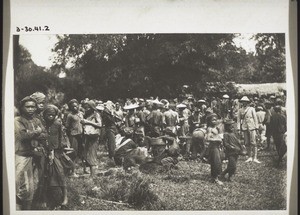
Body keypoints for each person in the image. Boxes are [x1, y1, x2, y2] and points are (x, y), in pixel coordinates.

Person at [15, 96, 47, 210]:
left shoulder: (37, 120)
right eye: (27, 106)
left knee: (35, 182)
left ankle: (28, 209)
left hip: (36, 155)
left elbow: (45, 135)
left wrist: (33, 133)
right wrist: (37, 132)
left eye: (33, 107)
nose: (31, 109)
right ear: (22, 107)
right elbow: (22, 136)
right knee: (23, 184)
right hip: (23, 155)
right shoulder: (17, 120)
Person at [43, 105, 68, 208]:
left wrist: (60, 148)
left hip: (57, 152)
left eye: (52, 115)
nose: (50, 117)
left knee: (60, 173)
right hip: (44, 152)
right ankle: (45, 198)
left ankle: (65, 196)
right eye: (48, 114)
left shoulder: (57, 124)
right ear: (44, 115)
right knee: (45, 175)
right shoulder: (43, 124)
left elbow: (62, 137)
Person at [81, 100, 102, 177]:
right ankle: (90, 174)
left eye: (88, 108)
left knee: (92, 155)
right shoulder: (88, 115)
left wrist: (87, 122)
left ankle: (93, 176)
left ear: (92, 107)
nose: (86, 109)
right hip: (88, 136)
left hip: (94, 137)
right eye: (85, 108)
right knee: (87, 155)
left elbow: (100, 124)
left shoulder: (96, 114)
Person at [237, 96, 260, 163]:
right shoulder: (240, 110)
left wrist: (256, 127)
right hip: (244, 127)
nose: (244, 103)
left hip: (252, 127)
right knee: (247, 143)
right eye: (243, 102)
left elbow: (255, 118)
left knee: (254, 142)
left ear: (248, 103)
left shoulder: (251, 109)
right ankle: (249, 156)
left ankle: (255, 157)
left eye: (246, 102)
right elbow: (238, 120)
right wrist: (238, 128)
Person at [65, 99, 84, 170]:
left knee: (82, 151)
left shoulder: (81, 113)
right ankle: (73, 170)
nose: (75, 108)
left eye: (76, 106)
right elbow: (67, 126)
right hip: (74, 135)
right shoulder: (70, 115)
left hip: (81, 135)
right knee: (73, 152)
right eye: (73, 107)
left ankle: (84, 168)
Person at [206, 113, 223, 185]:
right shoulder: (210, 129)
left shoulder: (217, 128)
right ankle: (215, 178)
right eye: (213, 120)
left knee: (217, 161)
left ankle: (214, 177)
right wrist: (217, 139)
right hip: (213, 147)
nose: (215, 121)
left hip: (217, 146)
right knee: (216, 162)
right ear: (209, 121)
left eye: (216, 120)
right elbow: (208, 138)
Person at [269, 102, 287, 167]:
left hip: (275, 133)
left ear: (275, 110)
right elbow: (285, 125)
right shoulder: (283, 117)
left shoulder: (272, 117)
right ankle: (280, 156)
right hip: (281, 132)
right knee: (282, 144)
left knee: (277, 144)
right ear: (280, 110)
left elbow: (271, 126)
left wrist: (270, 133)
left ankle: (279, 155)